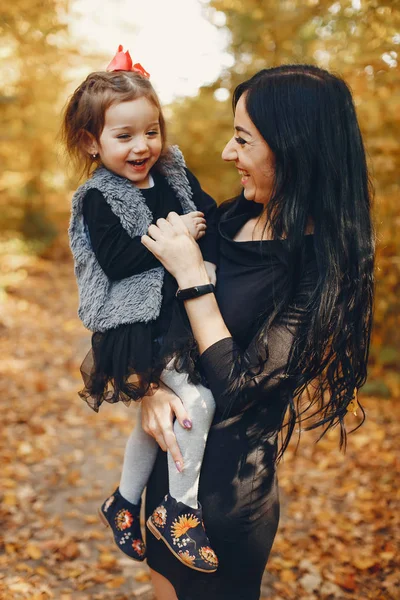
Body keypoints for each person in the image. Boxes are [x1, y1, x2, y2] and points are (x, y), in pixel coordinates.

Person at [140, 64, 375, 600]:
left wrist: (192, 276)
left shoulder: (323, 267)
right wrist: (148, 389)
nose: (227, 152)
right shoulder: (229, 219)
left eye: (243, 139)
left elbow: (238, 388)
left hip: (224, 502)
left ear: (294, 148)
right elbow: (164, 327)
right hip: (169, 465)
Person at [63, 45, 220, 572]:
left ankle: (125, 502)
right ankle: (181, 509)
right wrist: (176, 235)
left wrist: (204, 243)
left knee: (155, 422)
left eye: (150, 132)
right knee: (195, 404)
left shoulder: (173, 172)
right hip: (132, 327)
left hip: (174, 318)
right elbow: (117, 261)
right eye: (124, 136)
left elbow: (209, 214)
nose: (142, 146)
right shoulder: (96, 198)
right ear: (91, 141)